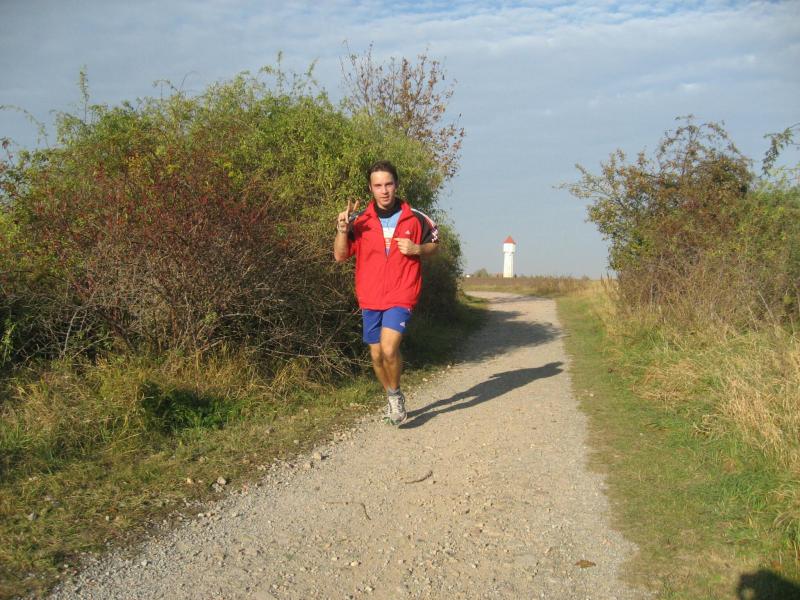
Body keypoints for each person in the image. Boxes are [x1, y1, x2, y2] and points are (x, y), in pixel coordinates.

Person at [334, 160, 439, 425]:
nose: (384, 191)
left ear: (396, 185)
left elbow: (435, 245)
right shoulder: (360, 221)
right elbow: (340, 255)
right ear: (371, 188)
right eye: (378, 185)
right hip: (370, 296)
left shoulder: (416, 217)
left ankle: (395, 398)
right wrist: (342, 231)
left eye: (388, 184)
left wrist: (417, 249)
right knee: (376, 355)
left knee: (389, 349)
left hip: (401, 293)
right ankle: (393, 395)